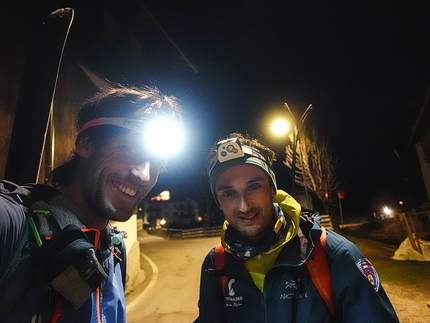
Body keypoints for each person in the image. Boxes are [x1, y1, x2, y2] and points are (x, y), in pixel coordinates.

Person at [0, 85, 182, 322]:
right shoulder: (14, 224)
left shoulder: (114, 249)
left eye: (156, 163)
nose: (145, 176)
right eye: (130, 149)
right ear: (85, 144)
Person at [197, 133, 399, 322]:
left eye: (253, 187)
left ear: (273, 189)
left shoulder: (332, 254)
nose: (244, 206)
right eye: (228, 193)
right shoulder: (216, 264)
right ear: (218, 202)